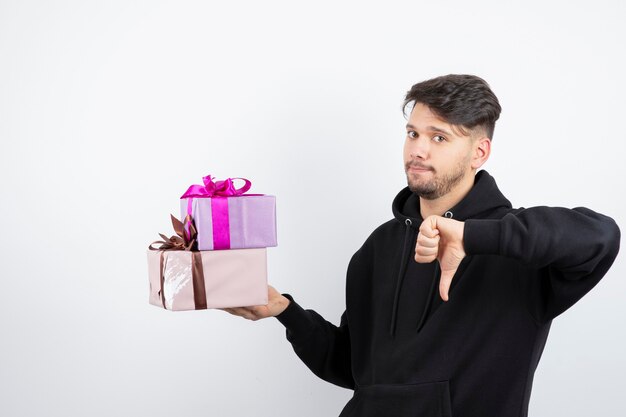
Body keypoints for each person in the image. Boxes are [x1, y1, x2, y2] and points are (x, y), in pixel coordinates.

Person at [221, 74, 621, 417]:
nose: (418, 149)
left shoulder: (516, 249)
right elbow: (351, 368)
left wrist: (473, 235)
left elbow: (600, 236)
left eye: (439, 137)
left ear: (478, 152)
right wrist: (286, 312)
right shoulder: (379, 246)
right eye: (413, 133)